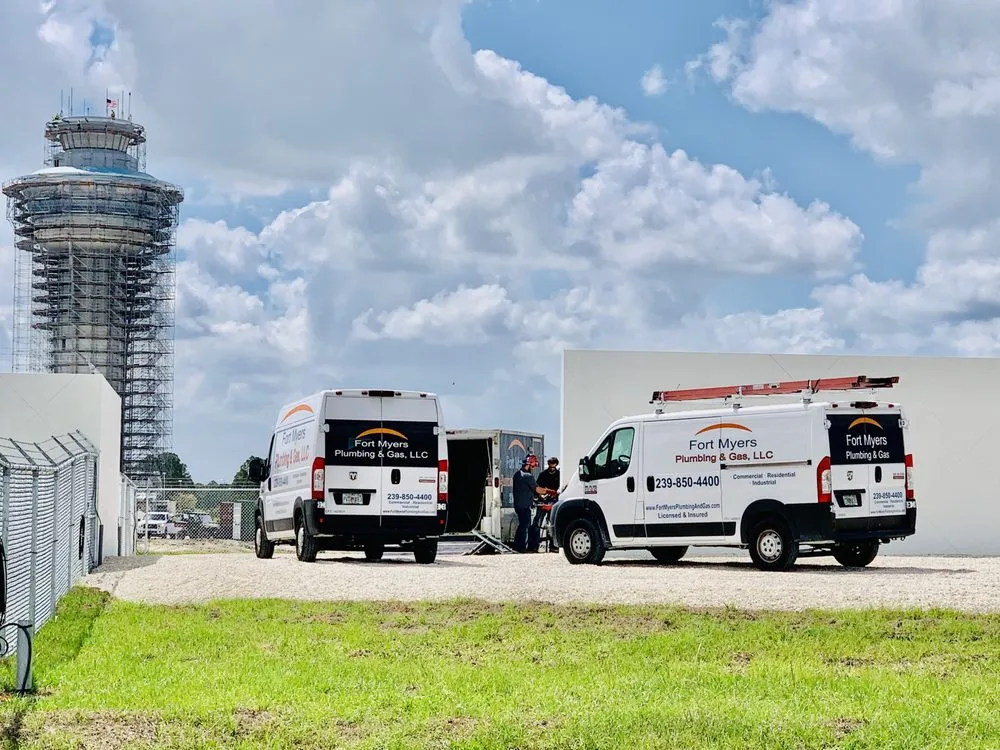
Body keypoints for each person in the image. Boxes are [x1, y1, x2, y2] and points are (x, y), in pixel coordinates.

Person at [529, 457, 560, 552]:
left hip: (554, 502)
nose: (552, 469)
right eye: (550, 467)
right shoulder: (543, 475)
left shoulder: (559, 475)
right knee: (537, 523)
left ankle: (553, 546)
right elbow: (537, 488)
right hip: (542, 502)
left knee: (552, 523)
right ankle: (534, 545)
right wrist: (541, 496)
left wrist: (555, 495)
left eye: (554, 467)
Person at [511, 455, 538, 552]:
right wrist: (551, 492)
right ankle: (521, 547)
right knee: (525, 525)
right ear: (529, 464)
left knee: (522, 524)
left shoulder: (517, 474)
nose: (533, 468)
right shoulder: (528, 476)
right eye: (533, 466)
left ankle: (517, 545)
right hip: (525, 505)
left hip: (518, 504)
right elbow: (538, 489)